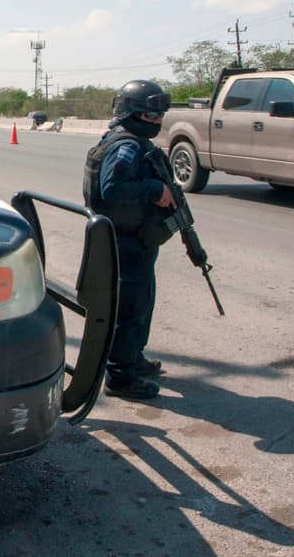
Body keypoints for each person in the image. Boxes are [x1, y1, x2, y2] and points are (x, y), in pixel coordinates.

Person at [83, 79, 177, 401]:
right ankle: (121, 376)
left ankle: (133, 358)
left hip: (132, 242)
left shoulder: (126, 139)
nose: (156, 122)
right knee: (130, 309)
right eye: (150, 116)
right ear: (131, 113)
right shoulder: (127, 145)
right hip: (126, 243)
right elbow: (113, 188)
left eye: (158, 116)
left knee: (141, 303)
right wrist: (155, 190)